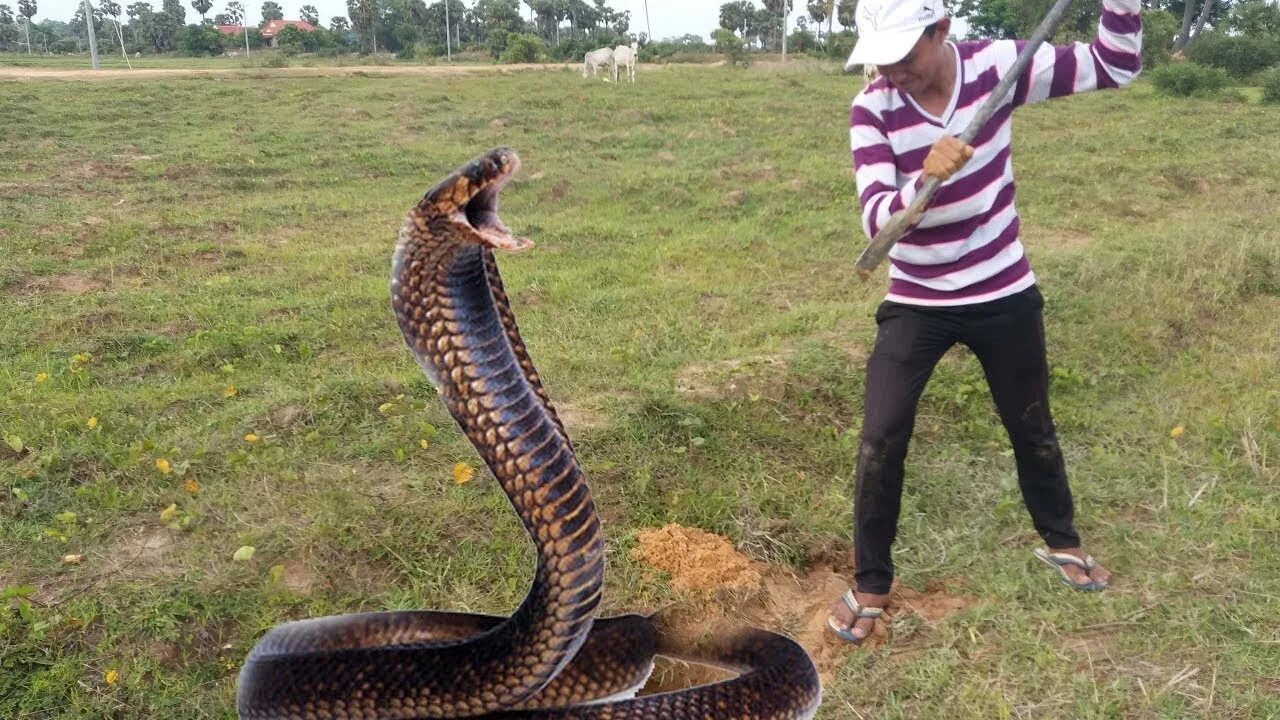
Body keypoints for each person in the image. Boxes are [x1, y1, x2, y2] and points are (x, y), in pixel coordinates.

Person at [827, 0, 1143, 645]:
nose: (893, 70)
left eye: (904, 54)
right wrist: (924, 178)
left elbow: (1115, 65)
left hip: (1004, 288)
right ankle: (872, 582)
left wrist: (1122, 6)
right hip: (918, 299)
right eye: (881, 58)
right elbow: (874, 223)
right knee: (881, 437)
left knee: (1032, 424)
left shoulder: (1001, 66)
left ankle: (1061, 541)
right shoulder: (873, 108)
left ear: (941, 31)